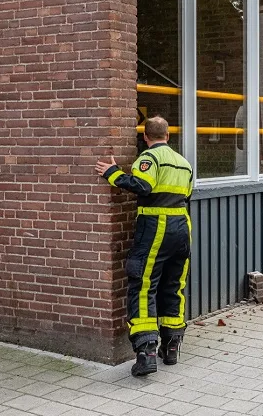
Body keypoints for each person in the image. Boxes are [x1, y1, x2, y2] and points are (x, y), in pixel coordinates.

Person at [95, 116, 194, 377]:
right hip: (182, 227)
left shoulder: (148, 158)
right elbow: (187, 195)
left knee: (143, 285)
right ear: (168, 136)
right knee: (174, 285)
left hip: (155, 226)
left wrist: (113, 174)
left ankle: (146, 352)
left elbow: (143, 186)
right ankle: (171, 347)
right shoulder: (184, 163)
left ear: (146, 137)